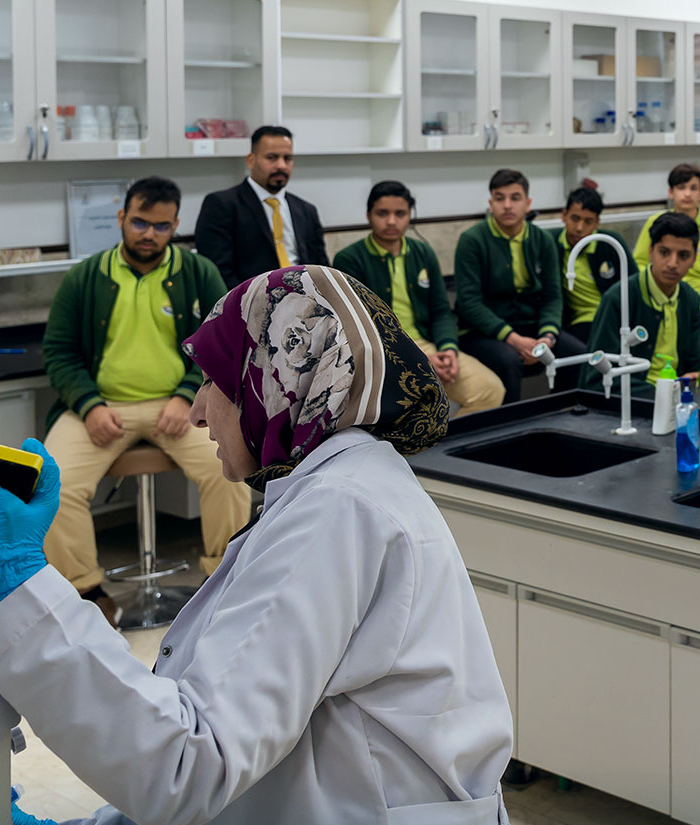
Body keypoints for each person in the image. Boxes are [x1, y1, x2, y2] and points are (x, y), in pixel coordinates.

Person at [0, 265, 534, 825]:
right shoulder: (329, 492)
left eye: (213, 381)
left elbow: (190, 765)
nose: (199, 410)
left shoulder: (339, 509)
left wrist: (14, 585)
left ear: (278, 379)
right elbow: (245, 757)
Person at [39, 176, 251, 626]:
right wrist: (89, 404)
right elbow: (58, 352)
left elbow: (222, 344)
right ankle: (87, 595)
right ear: (122, 218)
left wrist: (187, 395)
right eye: (139, 222)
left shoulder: (198, 273)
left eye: (161, 226)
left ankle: (225, 583)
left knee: (231, 468)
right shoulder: (86, 277)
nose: (149, 234)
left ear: (175, 225)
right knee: (53, 481)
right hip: (100, 407)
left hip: (181, 407)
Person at [333, 180, 505, 419]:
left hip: (428, 346)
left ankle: (445, 442)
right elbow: (360, 328)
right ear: (368, 215)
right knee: (407, 410)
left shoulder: (423, 252)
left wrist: (448, 349)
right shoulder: (349, 259)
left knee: (490, 390)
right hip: (382, 355)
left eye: (400, 214)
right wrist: (419, 360)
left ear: (410, 216)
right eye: (382, 213)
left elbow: (441, 311)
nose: (391, 221)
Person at [456, 168, 585, 401]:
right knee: (508, 361)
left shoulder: (542, 240)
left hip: (531, 326)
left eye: (515, 198)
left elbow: (552, 296)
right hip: (483, 333)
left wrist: (547, 337)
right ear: (491, 204)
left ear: (527, 203)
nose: (507, 205)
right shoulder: (472, 240)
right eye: (499, 198)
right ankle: (510, 422)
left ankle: (563, 412)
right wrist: (513, 339)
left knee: (578, 355)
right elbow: (469, 303)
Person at [582, 210, 700, 393]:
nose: (673, 263)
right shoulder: (619, 298)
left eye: (683, 255)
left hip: (678, 399)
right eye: (664, 252)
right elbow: (597, 378)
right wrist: (659, 394)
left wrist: (698, 376)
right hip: (632, 402)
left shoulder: (690, 298)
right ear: (650, 251)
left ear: (694, 259)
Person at [193, 125, 328, 290]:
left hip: (306, 298)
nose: (281, 165)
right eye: (271, 157)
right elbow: (218, 272)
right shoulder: (222, 205)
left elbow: (322, 268)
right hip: (250, 300)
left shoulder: (306, 210)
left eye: (287, 158)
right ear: (251, 160)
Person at [634, 163, 700, 338]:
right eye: (681, 187)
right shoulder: (656, 222)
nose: (687, 194)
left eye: (693, 188)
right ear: (671, 192)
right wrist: (655, 287)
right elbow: (639, 263)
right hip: (663, 293)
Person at [549, 186, 629, 345]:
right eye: (575, 218)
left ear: (597, 223)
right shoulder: (550, 243)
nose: (579, 228)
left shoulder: (610, 243)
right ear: (564, 215)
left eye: (588, 221)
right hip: (577, 322)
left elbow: (633, 283)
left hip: (614, 317)